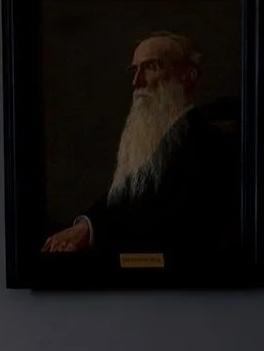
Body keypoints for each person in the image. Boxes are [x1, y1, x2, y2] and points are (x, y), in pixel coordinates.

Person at [42, 32, 240, 267]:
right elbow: (123, 196)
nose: (137, 82)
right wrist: (85, 225)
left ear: (188, 77)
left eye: (151, 67)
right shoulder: (152, 134)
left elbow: (160, 219)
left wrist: (91, 232)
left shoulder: (207, 141)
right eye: (134, 70)